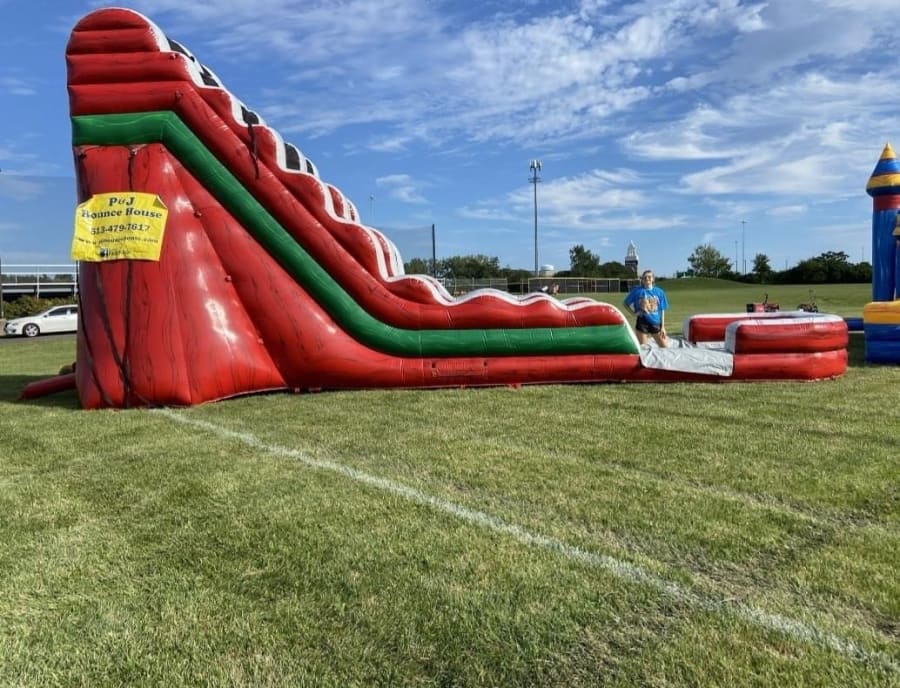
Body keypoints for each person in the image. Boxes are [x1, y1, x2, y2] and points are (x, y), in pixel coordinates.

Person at [624, 270, 669, 347]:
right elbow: (625, 304)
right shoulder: (637, 291)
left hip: (655, 322)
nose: (647, 278)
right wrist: (633, 314)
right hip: (642, 323)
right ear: (642, 279)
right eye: (645, 277)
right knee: (643, 349)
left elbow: (662, 310)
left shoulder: (659, 292)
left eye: (649, 277)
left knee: (664, 346)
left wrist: (663, 327)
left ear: (653, 279)